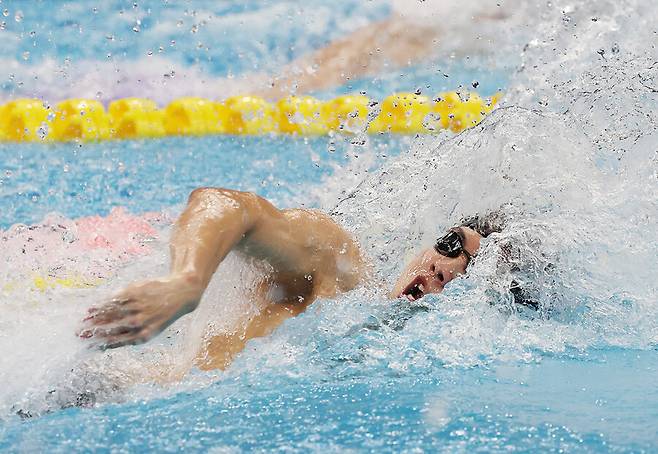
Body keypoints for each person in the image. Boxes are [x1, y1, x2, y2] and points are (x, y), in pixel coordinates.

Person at [80, 187, 487, 370]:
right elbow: (227, 204)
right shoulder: (337, 270)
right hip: (100, 376)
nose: (445, 268)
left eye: (465, 271)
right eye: (451, 244)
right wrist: (186, 281)